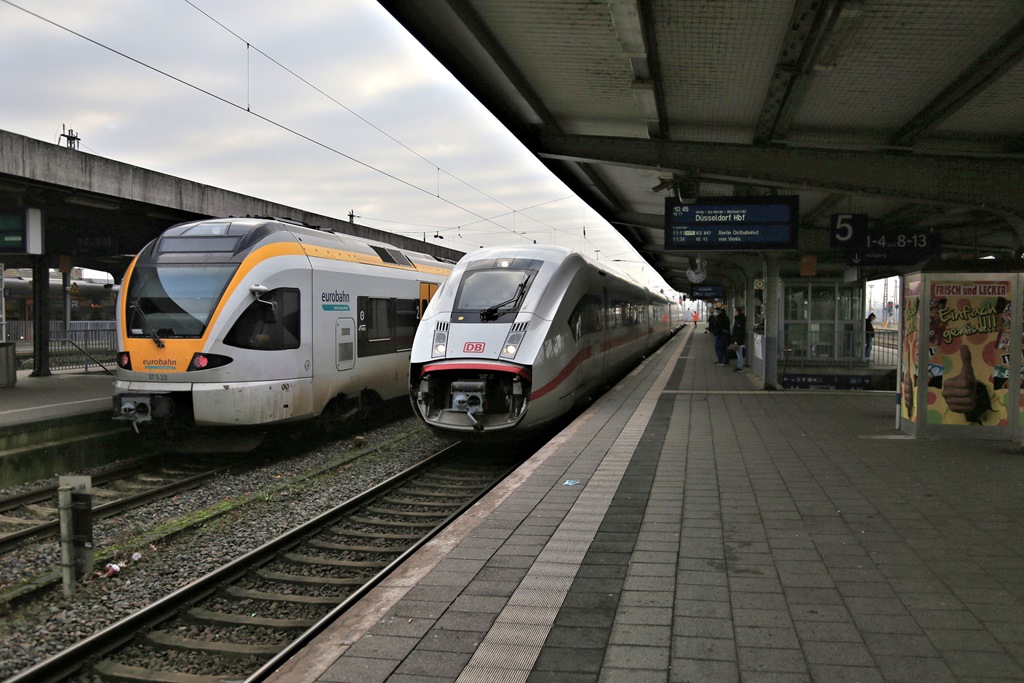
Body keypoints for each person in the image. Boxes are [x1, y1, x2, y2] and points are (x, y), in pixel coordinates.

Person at [732, 306, 747, 372]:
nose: (734, 312)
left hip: (739, 340)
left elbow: (739, 331)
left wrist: (736, 341)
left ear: (738, 312)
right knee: (738, 353)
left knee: (739, 354)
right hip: (739, 339)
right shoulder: (739, 319)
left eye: (735, 311)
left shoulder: (739, 320)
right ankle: (739, 366)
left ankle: (740, 367)